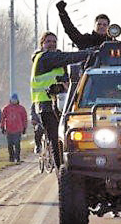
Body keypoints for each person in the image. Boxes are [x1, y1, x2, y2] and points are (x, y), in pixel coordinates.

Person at [32, 32, 94, 168]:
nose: (52, 44)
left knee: (62, 139)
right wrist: (89, 53)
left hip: (57, 104)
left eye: (54, 41)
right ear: (42, 44)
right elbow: (68, 57)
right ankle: (61, 172)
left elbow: (64, 79)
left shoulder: (54, 60)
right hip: (47, 105)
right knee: (56, 141)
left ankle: (64, 168)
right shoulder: (44, 58)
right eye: (48, 41)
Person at [0, 93, 28, 163]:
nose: (14, 101)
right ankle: (11, 158)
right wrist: (2, 127)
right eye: (13, 99)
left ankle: (17, 157)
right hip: (9, 129)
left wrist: (24, 127)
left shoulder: (21, 108)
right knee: (10, 145)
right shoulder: (6, 108)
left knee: (17, 144)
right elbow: (2, 118)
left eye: (15, 99)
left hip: (18, 129)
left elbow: (24, 118)